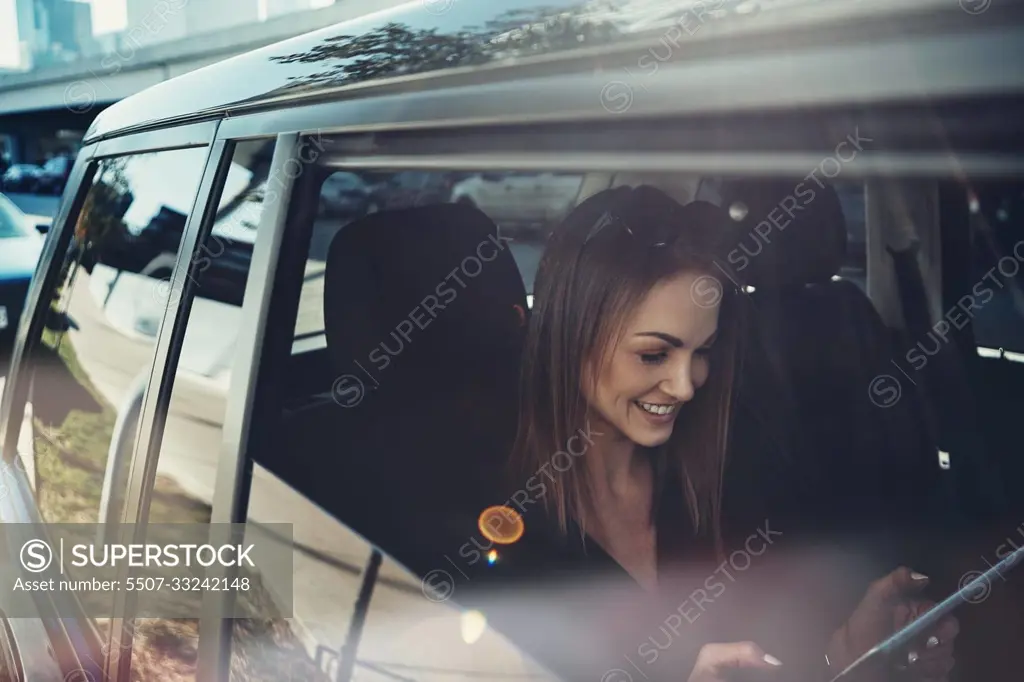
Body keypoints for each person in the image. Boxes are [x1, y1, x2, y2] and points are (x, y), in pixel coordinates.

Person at [507, 185, 958, 681]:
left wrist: (846, 655)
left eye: (703, 352)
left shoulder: (723, 475)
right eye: (654, 354)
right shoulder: (502, 524)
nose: (685, 386)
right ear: (571, 337)